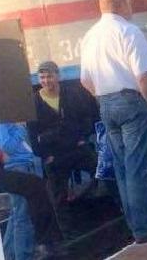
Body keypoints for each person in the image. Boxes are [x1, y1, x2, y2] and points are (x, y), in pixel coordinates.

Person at [80, 0, 147, 244]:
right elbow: (143, 75)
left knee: (123, 170)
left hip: (106, 104)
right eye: (129, 3)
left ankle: (136, 227)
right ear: (121, 4)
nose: (131, 8)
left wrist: (103, 98)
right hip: (131, 102)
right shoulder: (129, 31)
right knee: (137, 169)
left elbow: (85, 80)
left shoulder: (89, 36)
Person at [28, 61, 99, 208]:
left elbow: (87, 116)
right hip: (54, 154)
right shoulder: (34, 102)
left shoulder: (72, 94)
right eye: (42, 77)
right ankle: (67, 229)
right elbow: (32, 132)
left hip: (76, 147)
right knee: (58, 197)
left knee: (102, 171)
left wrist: (83, 137)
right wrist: (44, 155)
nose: (46, 81)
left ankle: (102, 206)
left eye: (49, 76)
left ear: (57, 76)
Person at [0, 139, 62, 259]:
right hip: (2, 167)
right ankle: (28, 251)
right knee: (23, 212)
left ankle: (10, 253)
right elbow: (2, 147)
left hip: (1, 167)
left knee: (18, 215)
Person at [0, 123, 38, 260]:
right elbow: (6, 146)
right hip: (17, 167)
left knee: (16, 214)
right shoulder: (0, 125)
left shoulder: (4, 123)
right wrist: (20, 130)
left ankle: (7, 254)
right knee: (23, 216)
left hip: (19, 166)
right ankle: (23, 255)